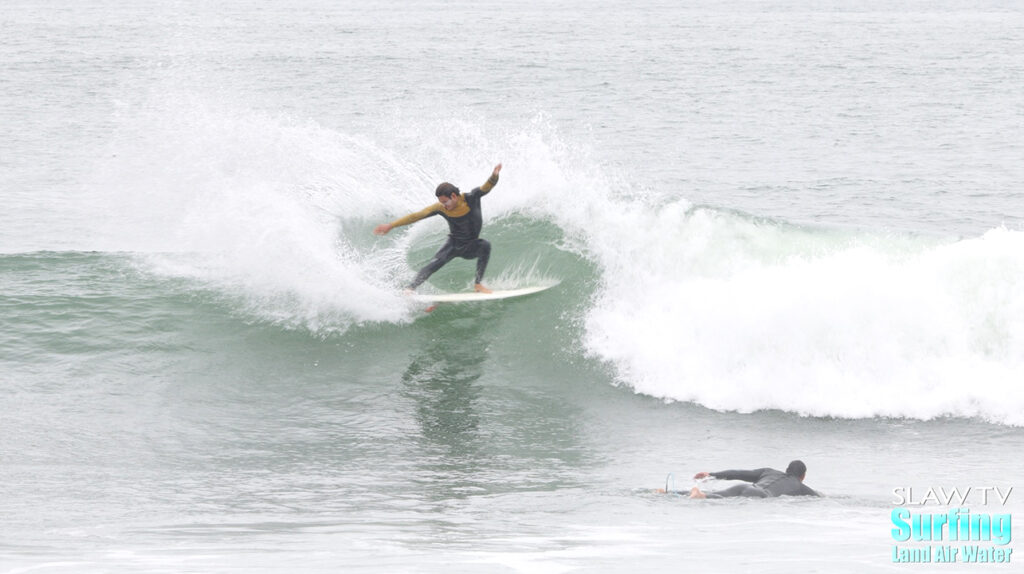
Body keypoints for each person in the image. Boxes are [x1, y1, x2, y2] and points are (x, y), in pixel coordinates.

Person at [374, 163, 502, 293]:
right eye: (441, 203)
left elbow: (487, 187)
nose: (444, 206)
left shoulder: (471, 198)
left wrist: (494, 175)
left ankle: (478, 284)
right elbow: (416, 216)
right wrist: (391, 225)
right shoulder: (440, 208)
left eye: (445, 202)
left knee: (485, 245)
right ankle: (410, 288)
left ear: (453, 196)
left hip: (470, 246)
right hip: (453, 244)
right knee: (434, 264)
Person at [687, 460, 819, 499]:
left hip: (742, 487)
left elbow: (738, 473)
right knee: (709, 498)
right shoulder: (800, 487)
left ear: (786, 470)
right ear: (803, 476)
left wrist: (712, 474)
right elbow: (819, 497)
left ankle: (667, 491)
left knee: (710, 495)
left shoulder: (768, 471)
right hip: (761, 495)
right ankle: (698, 495)